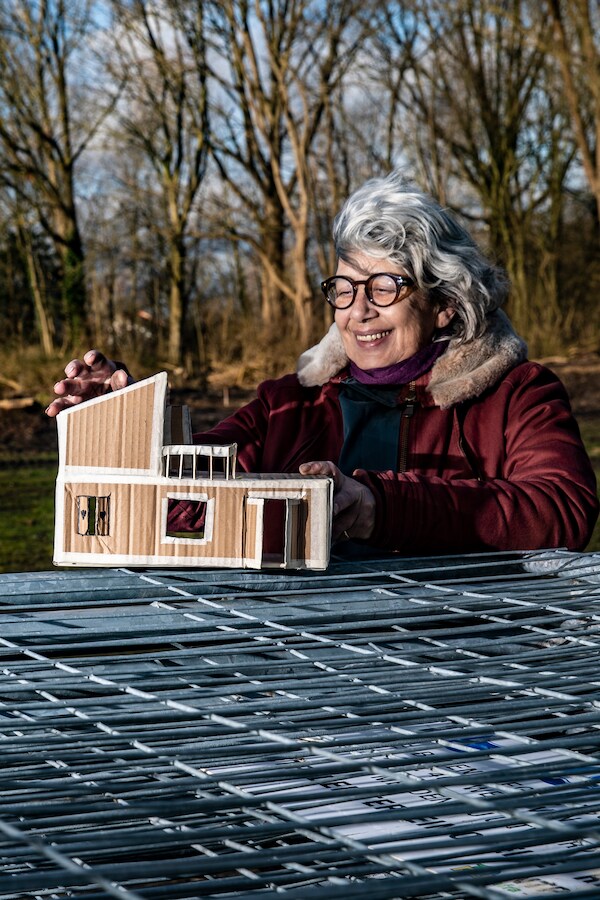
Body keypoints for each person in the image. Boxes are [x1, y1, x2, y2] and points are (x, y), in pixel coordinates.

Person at [46, 172, 599, 554]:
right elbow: (181, 504)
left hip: (462, 654)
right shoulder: (288, 404)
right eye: (344, 287)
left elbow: (562, 509)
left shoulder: (516, 394)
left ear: (444, 305)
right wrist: (127, 421)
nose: (358, 309)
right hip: (299, 657)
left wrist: (377, 507)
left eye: (385, 286)